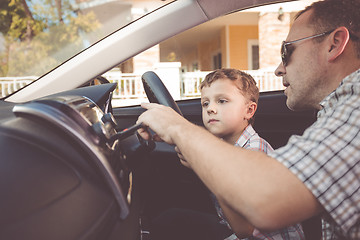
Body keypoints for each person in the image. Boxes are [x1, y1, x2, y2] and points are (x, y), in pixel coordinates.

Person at [137, 0, 360, 239]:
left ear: (334, 44)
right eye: (206, 103)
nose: (278, 69)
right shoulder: (332, 113)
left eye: (287, 51)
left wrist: (176, 127)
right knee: (172, 220)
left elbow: (264, 203)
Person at [198, 68, 304, 239]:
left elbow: (244, 227)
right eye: (205, 103)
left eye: (222, 101)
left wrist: (208, 169)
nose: (211, 108)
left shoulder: (255, 151)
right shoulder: (223, 145)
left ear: (249, 111)